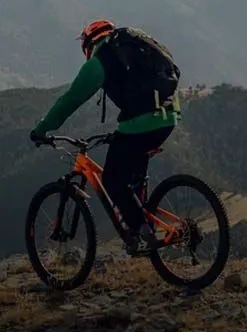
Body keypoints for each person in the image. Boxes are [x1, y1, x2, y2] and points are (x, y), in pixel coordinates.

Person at [30, 19, 182, 255]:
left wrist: (42, 129)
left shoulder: (102, 59)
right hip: (168, 117)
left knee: (112, 180)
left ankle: (143, 232)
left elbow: (70, 100)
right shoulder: (131, 49)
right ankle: (139, 233)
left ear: (89, 44)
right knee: (130, 171)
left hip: (142, 122)